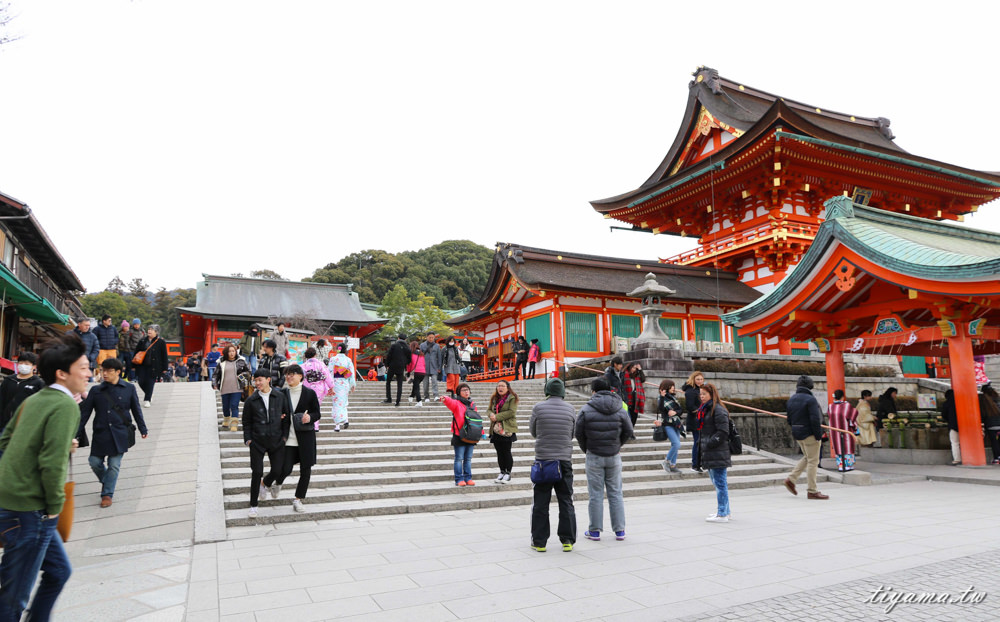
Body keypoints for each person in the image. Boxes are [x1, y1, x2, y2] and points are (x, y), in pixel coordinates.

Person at [0, 332, 89, 621]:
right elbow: (50, 463)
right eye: (84, 368)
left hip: (16, 504)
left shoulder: (36, 398)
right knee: (14, 597)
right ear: (62, 374)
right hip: (31, 510)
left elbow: (5, 442)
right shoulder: (65, 405)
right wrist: (54, 507)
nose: (89, 373)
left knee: (59, 571)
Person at [78, 358, 149, 508]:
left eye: (109, 371)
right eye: (103, 370)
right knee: (94, 462)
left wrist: (143, 428)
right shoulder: (96, 390)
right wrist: (76, 432)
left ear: (118, 372)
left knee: (114, 465)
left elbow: (136, 409)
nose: (105, 374)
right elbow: (85, 413)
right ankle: (107, 481)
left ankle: (107, 494)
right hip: (101, 432)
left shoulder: (129, 388)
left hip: (120, 432)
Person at [575, 377, 632, 542]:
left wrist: (586, 448)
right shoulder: (620, 408)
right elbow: (628, 430)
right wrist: (617, 445)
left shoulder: (586, 409)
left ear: (593, 391)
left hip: (594, 455)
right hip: (614, 455)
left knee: (595, 494)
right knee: (616, 493)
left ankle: (595, 531)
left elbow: (578, 432)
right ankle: (620, 530)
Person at [529, 377, 577, 552]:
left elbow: (533, 431)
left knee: (541, 501)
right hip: (564, 460)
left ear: (547, 391)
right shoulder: (571, 408)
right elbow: (573, 432)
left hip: (544, 461)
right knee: (566, 500)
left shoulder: (538, 408)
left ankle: (539, 542)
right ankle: (568, 540)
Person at [242, 368, 290, 519]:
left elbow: (286, 416)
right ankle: (253, 506)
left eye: (259, 380)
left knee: (277, 470)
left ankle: (265, 484)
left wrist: (284, 436)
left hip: (276, 439)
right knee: (256, 472)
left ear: (268, 379)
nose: (257, 383)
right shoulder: (251, 400)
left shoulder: (280, 396)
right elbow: (246, 422)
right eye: (255, 381)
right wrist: (248, 439)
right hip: (257, 441)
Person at [274, 364, 321, 512]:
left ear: (301, 376)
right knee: (285, 468)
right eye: (287, 374)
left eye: (292, 374)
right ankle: (278, 482)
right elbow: (275, 412)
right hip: (288, 438)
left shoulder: (309, 393)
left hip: (305, 437)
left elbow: (317, 413)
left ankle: (298, 499)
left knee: (305, 470)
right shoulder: (281, 393)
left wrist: (310, 417)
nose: (289, 377)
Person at [783, 375, 828, 500]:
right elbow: (815, 419)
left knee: (808, 457)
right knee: (813, 461)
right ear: (810, 386)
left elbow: (789, 419)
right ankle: (812, 490)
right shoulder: (810, 399)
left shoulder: (791, 399)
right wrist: (818, 435)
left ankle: (791, 479)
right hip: (810, 433)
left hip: (797, 433)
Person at [698, 382, 733, 522]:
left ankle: (722, 513)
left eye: (704, 394)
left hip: (717, 451)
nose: (701, 397)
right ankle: (725, 511)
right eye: (700, 394)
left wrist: (709, 443)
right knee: (718, 483)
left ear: (712, 395)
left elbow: (723, 432)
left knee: (720, 484)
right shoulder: (706, 409)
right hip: (711, 452)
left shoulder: (718, 410)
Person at [441, 383, 479, 486]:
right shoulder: (457, 403)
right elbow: (450, 402)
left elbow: (476, 420)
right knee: (459, 458)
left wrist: (481, 433)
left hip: (471, 435)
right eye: (464, 390)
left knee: (468, 459)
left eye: (467, 390)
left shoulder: (472, 404)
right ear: (459, 393)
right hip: (459, 434)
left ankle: (468, 478)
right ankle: (459, 479)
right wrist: (445, 398)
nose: (466, 392)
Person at [0, 352, 45, 434]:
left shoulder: (38, 383)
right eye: (21, 363)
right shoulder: (8, 380)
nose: (23, 365)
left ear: (34, 366)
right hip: (5, 425)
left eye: (27, 364)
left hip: (26, 427)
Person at [214, 344, 251, 432]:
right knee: (225, 406)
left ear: (236, 352)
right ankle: (226, 419)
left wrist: (243, 375)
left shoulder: (241, 361)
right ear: (226, 353)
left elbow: (248, 372)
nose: (231, 353)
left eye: (233, 351)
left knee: (234, 405)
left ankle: (234, 423)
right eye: (229, 351)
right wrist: (214, 383)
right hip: (224, 388)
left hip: (237, 388)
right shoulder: (221, 362)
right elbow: (215, 374)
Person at [488, 380, 519, 483]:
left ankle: (508, 473)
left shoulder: (512, 397)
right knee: (499, 452)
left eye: (502, 386)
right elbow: (489, 409)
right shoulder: (494, 398)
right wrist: (491, 415)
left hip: (507, 428)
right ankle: (501, 471)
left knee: (506, 451)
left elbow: (511, 412)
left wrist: (496, 416)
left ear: (507, 387)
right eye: (498, 386)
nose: (500, 388)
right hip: (496, 429)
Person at [133, 325, 168, 407]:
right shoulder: (142, 341)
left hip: (154, 366)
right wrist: (133, 364)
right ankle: (149, 394)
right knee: (140, 381)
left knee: (150, 382)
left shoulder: (161, 342)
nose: (149, 331)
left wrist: (165, 367)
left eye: (152, 330)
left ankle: (147, 399)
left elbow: (164, 356)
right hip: (142, 365)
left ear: (156, 332)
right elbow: (136, 353)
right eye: (149, 329)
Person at [654, 379, 684, 473]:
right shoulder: (661, 398)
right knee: (676, 444)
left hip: (676, 424)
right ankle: (666, 461)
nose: (673, 388)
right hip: (667, 424)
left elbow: (681, 410)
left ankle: (672, 465)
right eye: (672, 386)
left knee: (675, 444)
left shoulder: (673, 398)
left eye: (673, 386)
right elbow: (661, 408)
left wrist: (675, 412)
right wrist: (662, 397)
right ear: (667, 387)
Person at [827, 389, 858, 472]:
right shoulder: (846, 405)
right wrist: (855, 427)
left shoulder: (830, 406)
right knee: (847, 447)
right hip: (846, 430)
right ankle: (848, 465)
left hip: (834, 431)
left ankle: (841, 465)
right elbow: (853, 415)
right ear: (843, 396)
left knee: (838, 447)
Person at [328, 343, 356, 431]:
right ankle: (345, 420)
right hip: (345, 384)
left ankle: (337, 425)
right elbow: (351, 373)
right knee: (343, 402)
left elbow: (330, 372)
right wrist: (353, 384)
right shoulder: (348, 360)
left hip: (336, 383)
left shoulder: (333, 359)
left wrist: (329, 385)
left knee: (337, 403)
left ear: (337, 349)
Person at [682, 371, 706, 472]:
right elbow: (690, 406)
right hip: (695, 420)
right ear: (693, 380)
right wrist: (701, 410)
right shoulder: (691, 391)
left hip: (701, 419)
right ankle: (695, 464)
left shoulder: (700, 390)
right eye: (698, 379)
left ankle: (700, 463)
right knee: (697, 442)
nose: (700, 381)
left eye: (701, 379)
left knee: (701, 442)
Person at [301, 347, 334, 412]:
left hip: (307, 387)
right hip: (319, 388)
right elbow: (327, 376)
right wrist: (331, 387)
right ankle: (315, 421)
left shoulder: (303, 366)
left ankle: (309, 420)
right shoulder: (321, 364)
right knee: (316, 406)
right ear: (315, 354)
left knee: (308, 406)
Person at [383, 334, 410, 407]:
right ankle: (398, 401)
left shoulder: (394, 346)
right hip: (401, 367)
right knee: (399, 384)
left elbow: (389, 356)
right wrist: (404, 364)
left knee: (388, 382)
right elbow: (409, 359)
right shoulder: (407, 347)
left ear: (398, 338)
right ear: (405, 339)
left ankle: (389, 398)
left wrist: (387, 365)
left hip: (392, 366)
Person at [623, 363, 645, 439]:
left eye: (635, 368)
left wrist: (640, 370)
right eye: (633, 368)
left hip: (635, 399)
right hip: (626, 399)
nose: (634, 370)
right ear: (629, 367)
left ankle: (630, 432)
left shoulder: (636, 376)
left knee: (634, 417)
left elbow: (643, 379)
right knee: (628, 417)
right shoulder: (624, 375)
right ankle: (628, 433)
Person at [980, 385, 1000, 464]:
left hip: (992, 425)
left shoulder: (985, 400)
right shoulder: (997, 399)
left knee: (994, 442)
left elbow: (983, 414)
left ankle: (996, 458)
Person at [939, 389, 960, 464]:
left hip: (953, 425)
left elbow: (944, 415)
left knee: (955, 442)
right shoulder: (961, 401)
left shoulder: (947, 403)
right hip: (965, 425)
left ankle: (957, 459)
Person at [420, 333, 441, 402]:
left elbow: (439, 357)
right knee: (425, 383)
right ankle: (426, 397)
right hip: (424, 366)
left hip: (434, 366)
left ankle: (436, 395)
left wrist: (439, 367)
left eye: (432, 337)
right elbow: (420, 357)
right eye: (430, 337)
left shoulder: (437, 346)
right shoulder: (422, 345)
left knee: (434, 381)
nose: (431, 339)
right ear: (427, 337)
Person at [406, 341, 426, 405]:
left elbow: (409, 364)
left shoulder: (411, 354)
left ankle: (419, 401)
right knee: (416, 385)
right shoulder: (422, 354)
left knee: (416, 386)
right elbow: (424, 364)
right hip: (423, 372)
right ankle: (411, 396)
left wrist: (408, 372)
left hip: (416, 372)